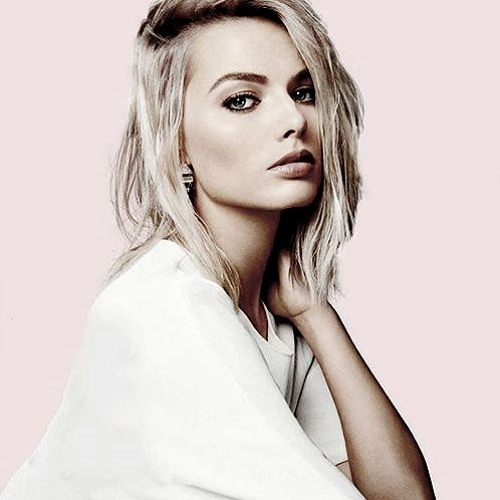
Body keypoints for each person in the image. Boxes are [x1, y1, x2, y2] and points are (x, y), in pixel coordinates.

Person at [0, 0, 436, 499]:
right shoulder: (163, 308)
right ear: (177, 142)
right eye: (242, 100)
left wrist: (316, 315)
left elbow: (403, 496)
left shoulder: (272, 314)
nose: (293, 119)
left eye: (303, 92)